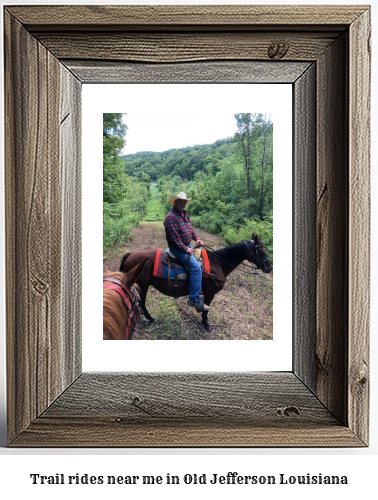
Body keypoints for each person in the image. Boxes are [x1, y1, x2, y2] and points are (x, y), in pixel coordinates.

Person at [164, 192, 208, 312]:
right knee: (196, 268)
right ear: (175, 202)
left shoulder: (184, 214)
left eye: (185, 202)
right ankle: (193, 299)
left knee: (202, 261)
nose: (183, 204)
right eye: (181, 201)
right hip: (177, 248)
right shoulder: (170, 217)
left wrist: (197, 239)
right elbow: (174, 238)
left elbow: (190, 230)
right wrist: (185, 248)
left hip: (187, 245)